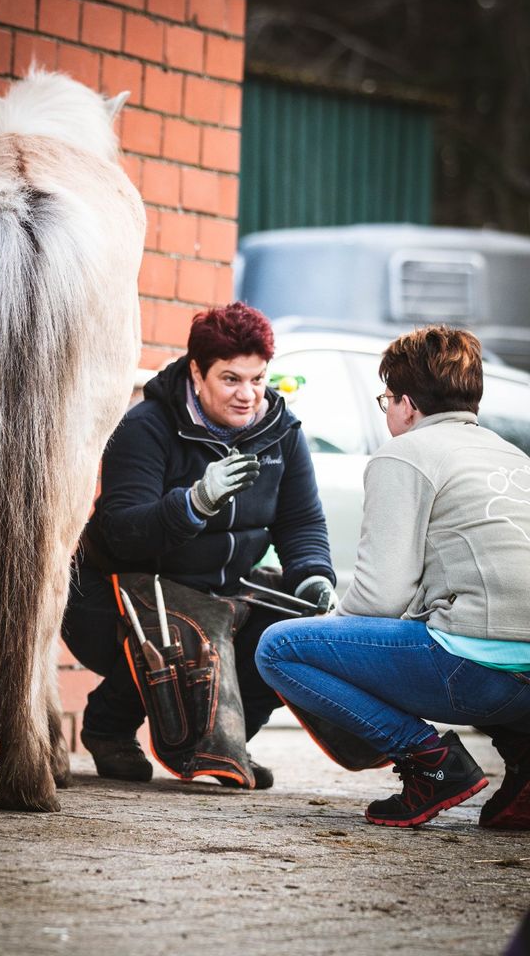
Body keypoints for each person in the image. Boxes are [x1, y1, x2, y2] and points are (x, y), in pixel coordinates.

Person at [256, 325, 530, 827]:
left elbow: (380, 597)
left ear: (405, 404)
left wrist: (336, 628)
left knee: (278, 648)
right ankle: (525, 771)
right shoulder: (515, 458)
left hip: (478, 675)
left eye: (386, 400)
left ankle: (430, 763)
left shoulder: (405, 454)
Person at [62, 302, 336, 786]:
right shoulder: (145, 426)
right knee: (184, 625)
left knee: (291, 635)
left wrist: (312, 575)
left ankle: (224, 740)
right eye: (231, 379)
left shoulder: (282, 434)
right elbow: (124, 532)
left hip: (219, 593)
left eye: (258, 379)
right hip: (113, 595)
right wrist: (195, 502)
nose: (248, 395)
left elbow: (302, 523)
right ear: (196, 372)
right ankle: (109, 727)